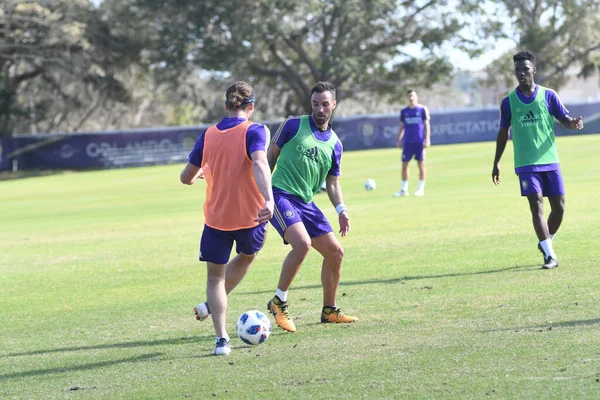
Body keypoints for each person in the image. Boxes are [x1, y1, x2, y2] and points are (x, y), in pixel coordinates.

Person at [180, 81, 274, 356]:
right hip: (251, 217)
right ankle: (212, 305)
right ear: (251, 107)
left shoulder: (208, 134)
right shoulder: (256, 130)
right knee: (246, 257)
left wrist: (200, 172)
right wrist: (268, 199)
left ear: (225, 106)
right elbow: (259, 162)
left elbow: (185, 177)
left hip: (217, 219)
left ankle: (222, 340)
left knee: (214, 278)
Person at [266, 81, 357, 333]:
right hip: (280, 195)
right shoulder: (292, 125)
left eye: (325, 104)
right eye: (315, 104)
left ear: (334, 105)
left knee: (335, 252)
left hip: (306, 202)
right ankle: (278, 301)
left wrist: (342, 210)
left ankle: (330, 311)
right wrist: (260, 195)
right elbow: (268, 160)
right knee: (302, 244)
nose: (320, 109)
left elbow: (333, 183)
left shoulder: (335, 144)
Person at [492, 51, 583, 270]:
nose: (521, 74)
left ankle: (545, 241)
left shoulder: (549, 95)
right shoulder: (508, 102)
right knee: (537, 205)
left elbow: (564, 119)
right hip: (526, 164)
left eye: (525, 69)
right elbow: (503, 133)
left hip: (550, 160)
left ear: (533, 70)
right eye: (517, 71)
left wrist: (573, 124)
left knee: (559, 208)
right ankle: (550, 255)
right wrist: (496, 162)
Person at [393, 89, 431, 197]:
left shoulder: (422, 109)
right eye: (409, 96)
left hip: (419, 141)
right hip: (408, 142)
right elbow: (401, 126)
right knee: (405, 164)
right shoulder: (404, 111)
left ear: (416, 97)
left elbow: (427, 125)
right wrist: (399, 139)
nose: (411, 98)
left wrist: (427, 139)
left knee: (421, 164)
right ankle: (404, 189)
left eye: (413, 96)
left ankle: (420, 189)